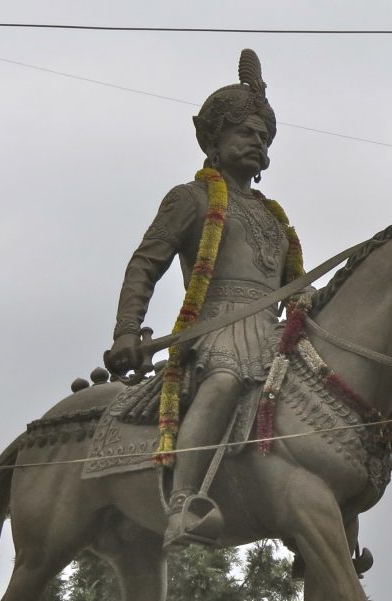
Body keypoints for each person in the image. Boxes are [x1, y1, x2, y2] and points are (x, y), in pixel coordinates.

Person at [104, 49, 300, 549]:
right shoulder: (190, 199)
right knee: (225, 380)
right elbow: (145, 264)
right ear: (214, 141)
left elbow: (291, 282)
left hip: (274, 331)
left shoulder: (273, 216)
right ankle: (183, 503)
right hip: (217, 327)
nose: (257, 143)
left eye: (264, 137)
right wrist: (127, 330)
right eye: (246, 133)